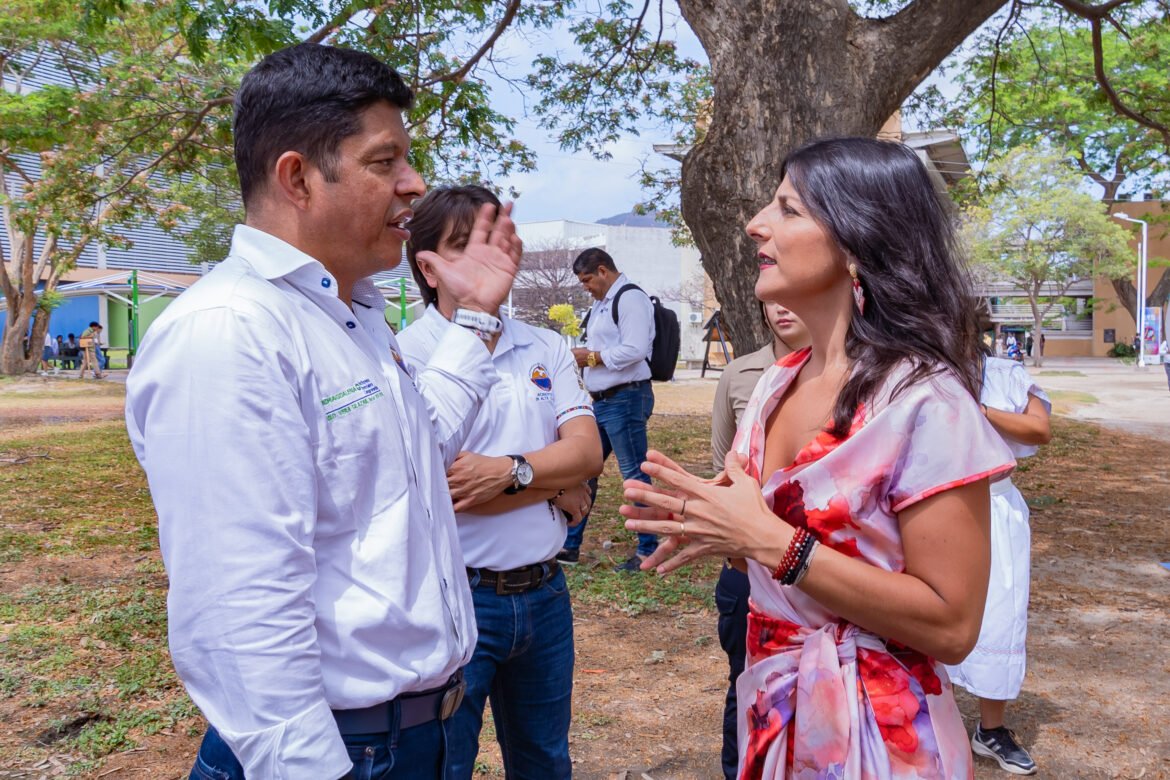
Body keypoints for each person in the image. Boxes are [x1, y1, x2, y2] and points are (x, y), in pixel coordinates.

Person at [124, 43, 523, 780]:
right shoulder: (231, 332)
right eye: (384, 161)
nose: (415, 183)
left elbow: (411, 451)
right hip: (341, 753)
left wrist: (475, 320)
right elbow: (239, 607)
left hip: (415, 739)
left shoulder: (349, 312)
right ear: (297, 177)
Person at [621, 137, 1015, 778]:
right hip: (775, 710)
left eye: (788, 209)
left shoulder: (926, 401)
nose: (756, 224)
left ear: (857, 242)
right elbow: (760, 547)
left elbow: (952, 625)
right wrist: (715, 524)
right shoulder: (775, 384)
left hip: (883, 741)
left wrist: (773, 542)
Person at [398, 184, 603, 780]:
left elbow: (587, 453)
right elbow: (445, 487)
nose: (487, 259)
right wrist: (552, 485)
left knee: (545, 760)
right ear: (428, 269)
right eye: (464, 246)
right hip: (457, 598)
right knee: (447, 761)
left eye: (495, 241)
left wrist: (510, 472)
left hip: (544, 594)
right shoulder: (407, 355)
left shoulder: (544, 344)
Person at [710, 301, 809, 780]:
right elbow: (723, 470)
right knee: (747, 689)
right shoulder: (740, 374)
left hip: (824, 583)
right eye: (772, 296)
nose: (782, 305)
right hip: (747, 575)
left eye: (797, 289)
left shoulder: (866, 375)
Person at [944, 354, 1050, 775]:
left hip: (996, 504)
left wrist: (981, 410)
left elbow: (1040, 429)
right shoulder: (918, 365)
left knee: (1000, 614)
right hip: (936, 505)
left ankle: (991, 730)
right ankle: (933, 718)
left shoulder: (1004, 374)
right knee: (932, 607)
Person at [565, 247, 657, 572]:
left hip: (626, 398)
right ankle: (568, 545)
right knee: (584, 469)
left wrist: (590, 357)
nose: (585, 287)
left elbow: (635, 349)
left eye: (587, 280)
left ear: (603, 270)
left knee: (634, 474)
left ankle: (648, 551)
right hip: (601, 400)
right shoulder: (601, 304)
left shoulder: (630, 299)